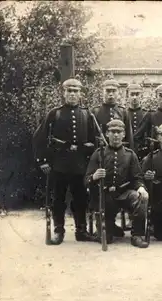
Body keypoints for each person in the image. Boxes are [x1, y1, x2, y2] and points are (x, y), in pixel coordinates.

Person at [32, 78, 96, 244]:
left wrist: (90, 155)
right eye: (69, 91)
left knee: (81, 198)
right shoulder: (55, 113)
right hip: (59, 164)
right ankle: (58, 231)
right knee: (58, 199)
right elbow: (40, 137)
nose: (72, 94)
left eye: (75, 91)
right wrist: (43, 160)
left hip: (80, 165)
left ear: (80, 94)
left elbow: (95, 139)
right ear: (64, 93)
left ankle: (81, 230)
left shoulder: (87, 114)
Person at [85, 119, 149, 248]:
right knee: (106, 239)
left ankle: (137, 235)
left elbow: (137, 177)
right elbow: (86, 180)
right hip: (104, 197)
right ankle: (111, 227)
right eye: (112, 132)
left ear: (124, 134)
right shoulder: (98, 154)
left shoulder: (130, 155)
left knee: (139, 198)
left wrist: (141, 188)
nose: (115, 135)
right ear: (107, 134)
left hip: (123, 194)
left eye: (118, 132)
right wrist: (94, 176)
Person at [125, 82, 148, 160]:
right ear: (127, 97)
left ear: (141, 96)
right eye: (132, 94)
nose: (134, 97)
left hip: (143, 152)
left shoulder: (146, 114)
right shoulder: (123, 114)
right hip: (126, 151)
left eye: (137, 94)